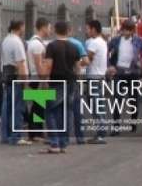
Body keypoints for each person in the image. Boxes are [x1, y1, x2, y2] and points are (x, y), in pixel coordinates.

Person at [39, 21, 81, 155]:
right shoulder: (75, 47)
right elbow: (78, 68)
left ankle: (54, 143)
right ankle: (64, 143)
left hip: (56, 83)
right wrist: (76, 81)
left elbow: (48, 65)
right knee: (67, 112)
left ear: (56, 31)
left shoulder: (51, 46)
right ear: (68, 31)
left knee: (50, 111)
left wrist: (43, 80)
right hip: (71, 83)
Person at [106, 18, 142, 135]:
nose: (125, 33)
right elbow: (106, 51)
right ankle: (116, 127)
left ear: (132, 31)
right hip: (119, 72)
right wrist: (110, 65)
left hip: (133, 72)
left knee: (133, 99)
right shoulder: (115, 40)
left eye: (128, 31)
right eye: (124, 30)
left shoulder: (138, 40)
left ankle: (133, 123)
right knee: (117, 100)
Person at [0, 20, 30, 146]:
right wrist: (26, 81)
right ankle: (16, 136)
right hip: (17, 78)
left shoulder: (5, 40)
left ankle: (5, 135)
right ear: (21, 27)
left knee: (7, 107)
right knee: (17, 108)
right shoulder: (17, 42)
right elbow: (21, 63)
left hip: (7, 77)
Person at [24, 18, 51, 141]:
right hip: (37, 78)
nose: (50, 30)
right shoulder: (36, 44)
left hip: (36, 78)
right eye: (49, 27)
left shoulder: (36, 43)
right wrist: (43, 80)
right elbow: (39, 65)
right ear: (44, 27)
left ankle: (38, 131)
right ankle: (35, 133)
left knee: (39, 106)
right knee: (38, 107)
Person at [82, 20, 109, 144]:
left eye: (88, 29)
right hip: (100, 76)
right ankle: (102, 130)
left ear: (93, 29)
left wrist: (77, 63)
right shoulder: (103, 42)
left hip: (93, 77)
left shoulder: (93, 42)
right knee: (99, 104)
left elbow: (87, 59)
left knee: (95, 105)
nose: (86, 31)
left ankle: (101, 133)